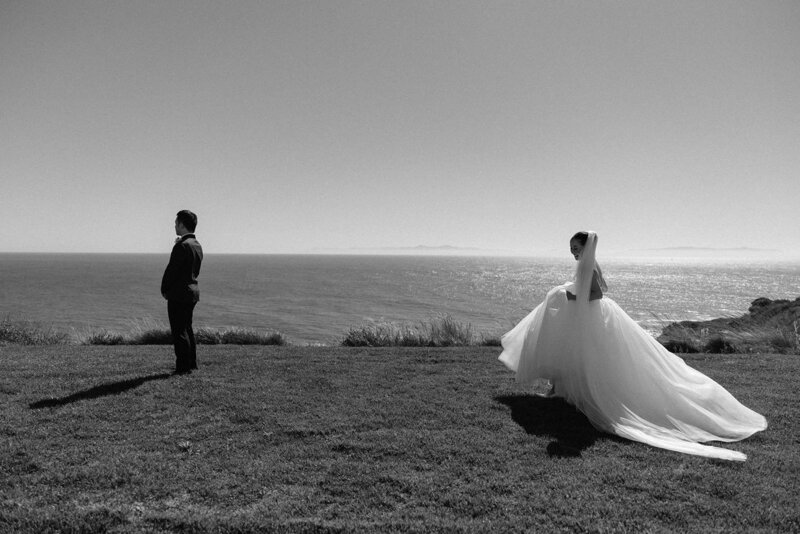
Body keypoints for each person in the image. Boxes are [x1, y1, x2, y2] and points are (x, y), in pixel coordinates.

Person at [499, 231, 767, 461]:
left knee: (590, 356)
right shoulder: (588, 264)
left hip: (591, 317)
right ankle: (561, 389)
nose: (574, 254)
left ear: (586, 247)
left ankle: (580, 392)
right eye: (571, 250)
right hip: (586, 317)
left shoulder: (589, 266)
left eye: (576, 249)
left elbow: (597, 293)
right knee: (575, 353)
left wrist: (568, 294)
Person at [161, 210, 203, 374]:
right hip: (192, 291)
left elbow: (172, 270)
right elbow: (194, 270)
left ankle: (183, 367)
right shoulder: (196, 245)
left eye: (176, 223)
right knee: (187, 328)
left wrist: (165, 289)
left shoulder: (182, 246)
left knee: (179, 330)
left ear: (182, 224)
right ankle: (191, 363)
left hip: (179, 293)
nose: (174, 225)